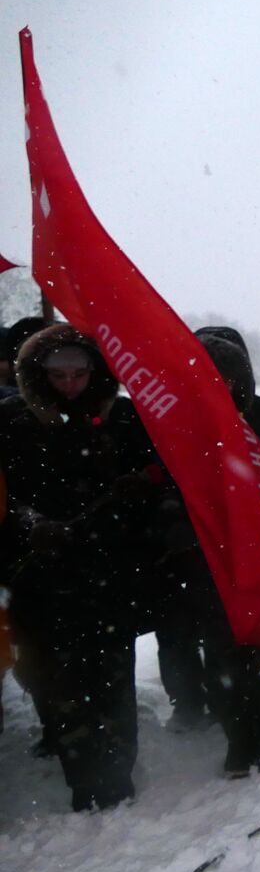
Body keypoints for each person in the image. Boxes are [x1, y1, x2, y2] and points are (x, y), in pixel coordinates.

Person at [0, 324, 160, 810]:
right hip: (42, 579)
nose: (70, 384)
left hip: (109, 575)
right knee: (63, 686)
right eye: (58, 375)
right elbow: (6, 494)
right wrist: (31, 525)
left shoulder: (123, 420)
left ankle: (118, 774)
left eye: (79, 373)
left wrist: (137, 485)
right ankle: (85, 780)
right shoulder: (13, 421)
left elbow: (157, 478)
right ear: (38, 374)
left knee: (113, 680)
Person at [151, 331, 260, 776]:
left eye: (224, 377)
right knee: (223, 657)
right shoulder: (175, 426)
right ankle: (238, 739)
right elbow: (165, 490)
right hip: (207, 563)